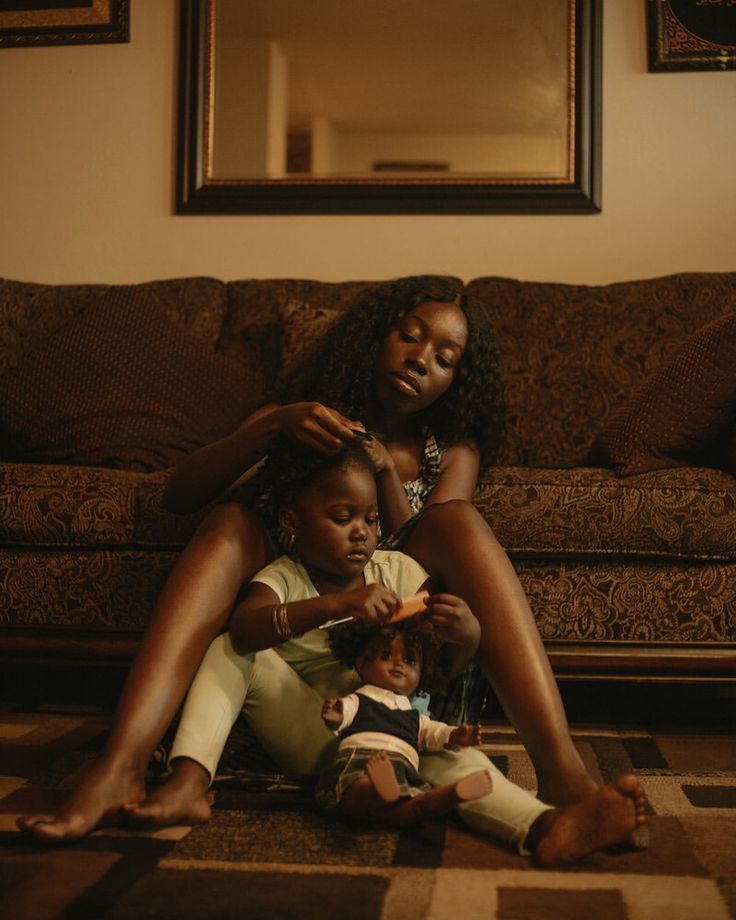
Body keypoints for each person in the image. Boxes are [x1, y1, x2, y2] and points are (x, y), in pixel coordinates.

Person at [18, 275, 609, 843]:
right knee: (230, 517)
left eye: (445, 358)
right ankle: (120, 763)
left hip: (403, 665)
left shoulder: (452, 451)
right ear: (376, 334)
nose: (420, 359)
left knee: (456, 518)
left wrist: (383, 476)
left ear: (457, 380)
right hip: (292, 652)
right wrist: (272, 426)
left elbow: (431, 559)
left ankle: (562, 774)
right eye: (409, 334)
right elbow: (178, 497)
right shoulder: (303, 417)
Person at [125, 442, 646, 865]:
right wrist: (337, 605)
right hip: (317, 731)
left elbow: (435, 672)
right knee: (229, 648)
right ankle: (187, 781)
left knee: (459, 758)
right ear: (293, 520)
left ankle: (548, 827)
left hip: (400, 730)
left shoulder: (395, 571)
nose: (361, 532)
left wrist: (465, 635)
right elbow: (245, 626)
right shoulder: (285, 578)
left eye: (371, 519)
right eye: (341, 516)